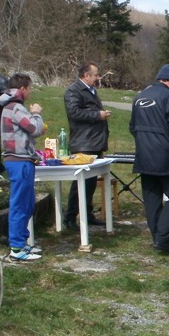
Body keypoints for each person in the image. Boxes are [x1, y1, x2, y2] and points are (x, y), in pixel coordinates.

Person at [130, 64, 169, 255]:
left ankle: (157, 236)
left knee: (152, 197)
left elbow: (133, 127)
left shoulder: (139, 97)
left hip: (144, 154)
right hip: (166, 155)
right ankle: (163, 237)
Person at [0, 74, 44, 261]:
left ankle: (23, 243)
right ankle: (16, 248)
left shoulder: (9, 107)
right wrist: (36, 113)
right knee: (20, 204)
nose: (31, 92)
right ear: (23, 89)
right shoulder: (16, 108)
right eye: (30, 88)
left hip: (19, 160)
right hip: (19, 161)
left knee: (27, 203)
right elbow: (36, 128)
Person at [63, 62, 111, 230]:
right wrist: (97, 115)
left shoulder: (91, 90)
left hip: (94, 142)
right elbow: (74, 113)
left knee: (90, 183)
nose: (98, 77)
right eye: (96, 74)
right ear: (86, 76)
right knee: (80, 182)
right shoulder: (73, 91)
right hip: (83, 143)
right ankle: (70, 217)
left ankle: (87, 214)